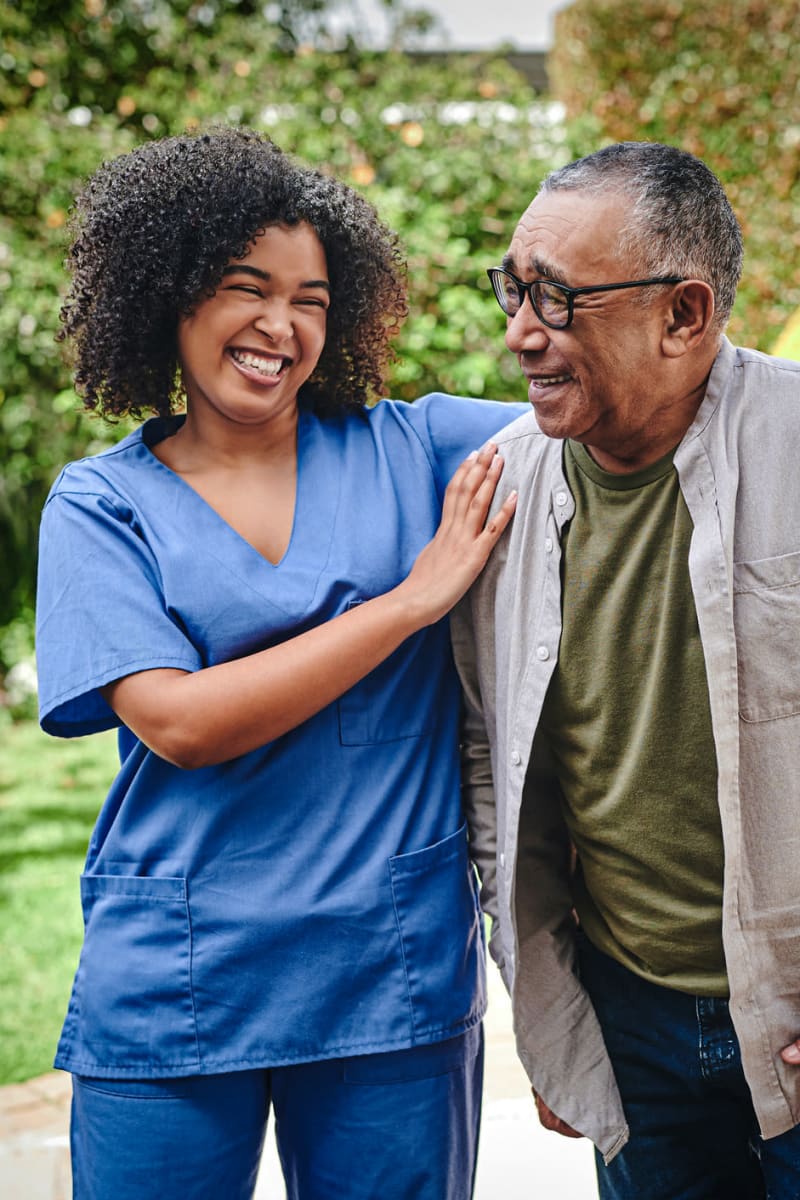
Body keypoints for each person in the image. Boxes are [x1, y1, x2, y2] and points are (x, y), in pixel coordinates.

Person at [34, 125, 522, 1200]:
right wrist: (407, 604)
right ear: (169, 295)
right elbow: (181, 724)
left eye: (310, 298)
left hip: (383, 982)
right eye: (245, 287)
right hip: (176, 986)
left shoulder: (421, 447)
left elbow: (612, 420)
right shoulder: (102, 505)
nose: (280, 324)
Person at [451, 141, 800, 1199]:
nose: (519, 334)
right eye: (512, 288)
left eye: (555, 300)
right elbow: (492, 759)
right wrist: (555, 1012)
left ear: (682, 315)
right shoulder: (499, 492)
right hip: (627, 1019)